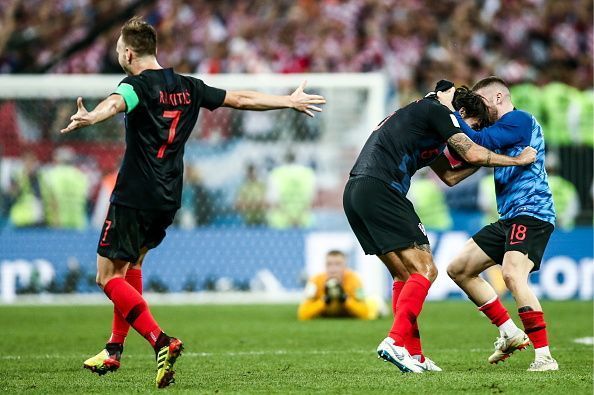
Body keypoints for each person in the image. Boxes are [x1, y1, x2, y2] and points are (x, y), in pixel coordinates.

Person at [59, 16, 325, 388]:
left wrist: (92, 117)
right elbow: (241, 99)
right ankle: (114, 348)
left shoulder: (134, 85)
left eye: (119, 49)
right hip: (168, 195)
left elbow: (117, 102)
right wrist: (287, 102)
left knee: (106, 276)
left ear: (129, 53)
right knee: (132, 263)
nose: (118, 54)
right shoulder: (188, 86)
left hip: (134, 193)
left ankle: (161, 340)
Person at [343, 80, 537, 374]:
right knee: (426, 270)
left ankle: (414, 354)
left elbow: (450, 176)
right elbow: (471, 152)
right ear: (459, 112)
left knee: (404, 273)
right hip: (381, 188)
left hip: (357, 191)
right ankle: (395, 341)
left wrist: (491, 158)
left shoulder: (427, 130)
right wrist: (516, 159)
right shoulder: (437, 110)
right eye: (471, 124)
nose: (469, 132)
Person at [447, 76, 558, 372]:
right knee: (459, 269)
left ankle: (544, 356)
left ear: (498, 98)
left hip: (532, 212)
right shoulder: (499, 130)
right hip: (508, 217)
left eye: (482, 104)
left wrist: (449, 119)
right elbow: (460, 164)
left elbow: (483, 142)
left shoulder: (520, 120)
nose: (479, 112)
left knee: (512, 274)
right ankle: (509, 332)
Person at [298, 250, 379, 320]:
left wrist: (345, 299)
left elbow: (365, 313)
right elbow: (302, 314)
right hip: (331, 313)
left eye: (338, 264)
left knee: (374, 303)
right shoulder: (315, 281)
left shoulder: (354, 280)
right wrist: (324, 301)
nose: (333, 269)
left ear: (345, 266)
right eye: (329, 264)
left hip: (347, 313)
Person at [40, 147, 89, 229]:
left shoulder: (49, 175)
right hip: (77, 223)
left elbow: (50, 199)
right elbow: (86, 198)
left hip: (57, 223)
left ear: (57, 159)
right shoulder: (81, 176)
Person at [267, 151, 316, 229]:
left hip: (281, 223)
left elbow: (273, 201)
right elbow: (313, 200)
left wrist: (289, 218)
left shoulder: (276, 173)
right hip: (303, 222)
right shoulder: (308, 173)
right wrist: (297, 218)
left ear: (284, 159)